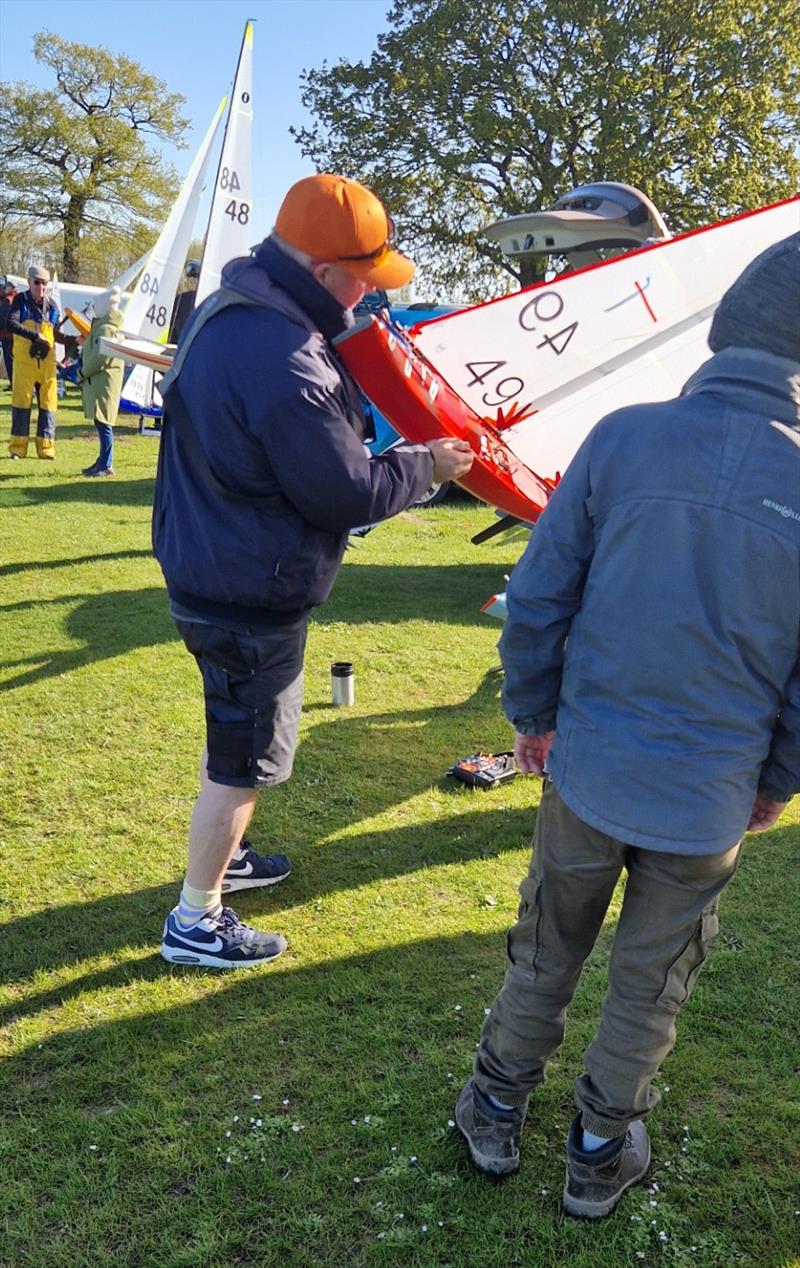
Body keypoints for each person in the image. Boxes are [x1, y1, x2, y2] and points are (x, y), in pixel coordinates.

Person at [455, 232, 800, 1219]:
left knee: (547, 943)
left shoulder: (622, 436)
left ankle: (494, 1107)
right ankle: (598, 1147)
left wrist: (532, 714)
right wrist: (774, 781)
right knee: (651, 980)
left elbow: (535, 599)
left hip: (593, 765)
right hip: (706, 796)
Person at [153, 173, 473, 970]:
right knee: (242, 760)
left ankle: (229, 860)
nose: (372, 292)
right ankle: (195, 919)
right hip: (246, 587)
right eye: (364, 277)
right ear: (323, 270)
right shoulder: (285, 353)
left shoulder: (234, 309)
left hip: (211, 564)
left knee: (235, 735)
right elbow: (345, 492)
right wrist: (426, 465)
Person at [7, 265, 62, 459]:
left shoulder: (52, 306)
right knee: (21, 403)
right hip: (24, 362)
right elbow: (11, 323)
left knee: (49, 404)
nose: (41, 287)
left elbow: (54, 333)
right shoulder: (20, 301)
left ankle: (46, 448)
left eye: (44, 283)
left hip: (47, 363)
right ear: (29, 282)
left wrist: (74, 340)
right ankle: (17, 449)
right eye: (37, 283)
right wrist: (34, 335)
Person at [80, 286, 125, 477]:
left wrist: (82, 372)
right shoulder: (106, 327)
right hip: (102, 381)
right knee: (102, 422)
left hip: (103, 382)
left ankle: (106, 464)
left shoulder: (105, 329)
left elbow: (100, 357)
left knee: (104, 423)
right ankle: (102, 461)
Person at [0, 280, 18, 385]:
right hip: (16, 335)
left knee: (9, 360)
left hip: (6, 335)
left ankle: (13, 383)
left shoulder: (8, 300)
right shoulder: (19, 299)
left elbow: (3, 318)